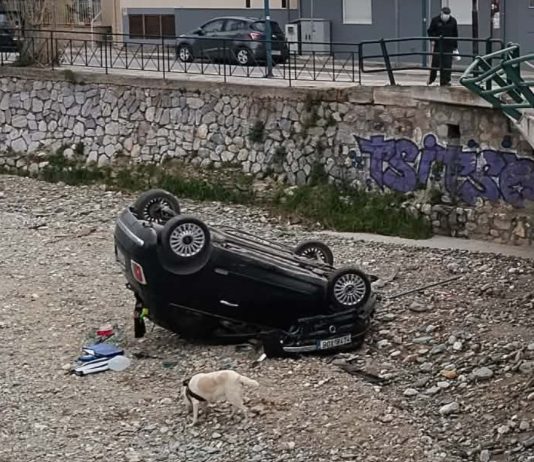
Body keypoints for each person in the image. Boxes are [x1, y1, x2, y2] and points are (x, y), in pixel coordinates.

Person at [427, 6, 459, 86]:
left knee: (447, 64)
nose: (446, 16)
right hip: (438, 44)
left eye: (448, 14)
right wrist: (432, 39)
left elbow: (455, 34)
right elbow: (430, 31)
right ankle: (431, 79)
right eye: (445, 14)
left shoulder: (453, 21)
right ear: (441, 13)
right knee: (435, 62)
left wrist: (455, 47)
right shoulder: (435, 20)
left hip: (448, 46)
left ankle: (446, 81)